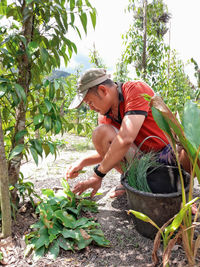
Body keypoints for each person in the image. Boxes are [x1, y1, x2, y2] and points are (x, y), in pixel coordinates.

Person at [66, 68, 191, 198]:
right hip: (143, 164)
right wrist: (83, 161)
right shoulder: (104, 116)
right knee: (100, 134)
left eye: (90, 102)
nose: (91, 108)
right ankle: (135, 181)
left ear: (103, 90)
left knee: (190, 146)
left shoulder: (134, 89)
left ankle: (181, 193)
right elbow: (112, 150)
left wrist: (97, 175)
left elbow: (125, 139)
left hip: (169, 156)